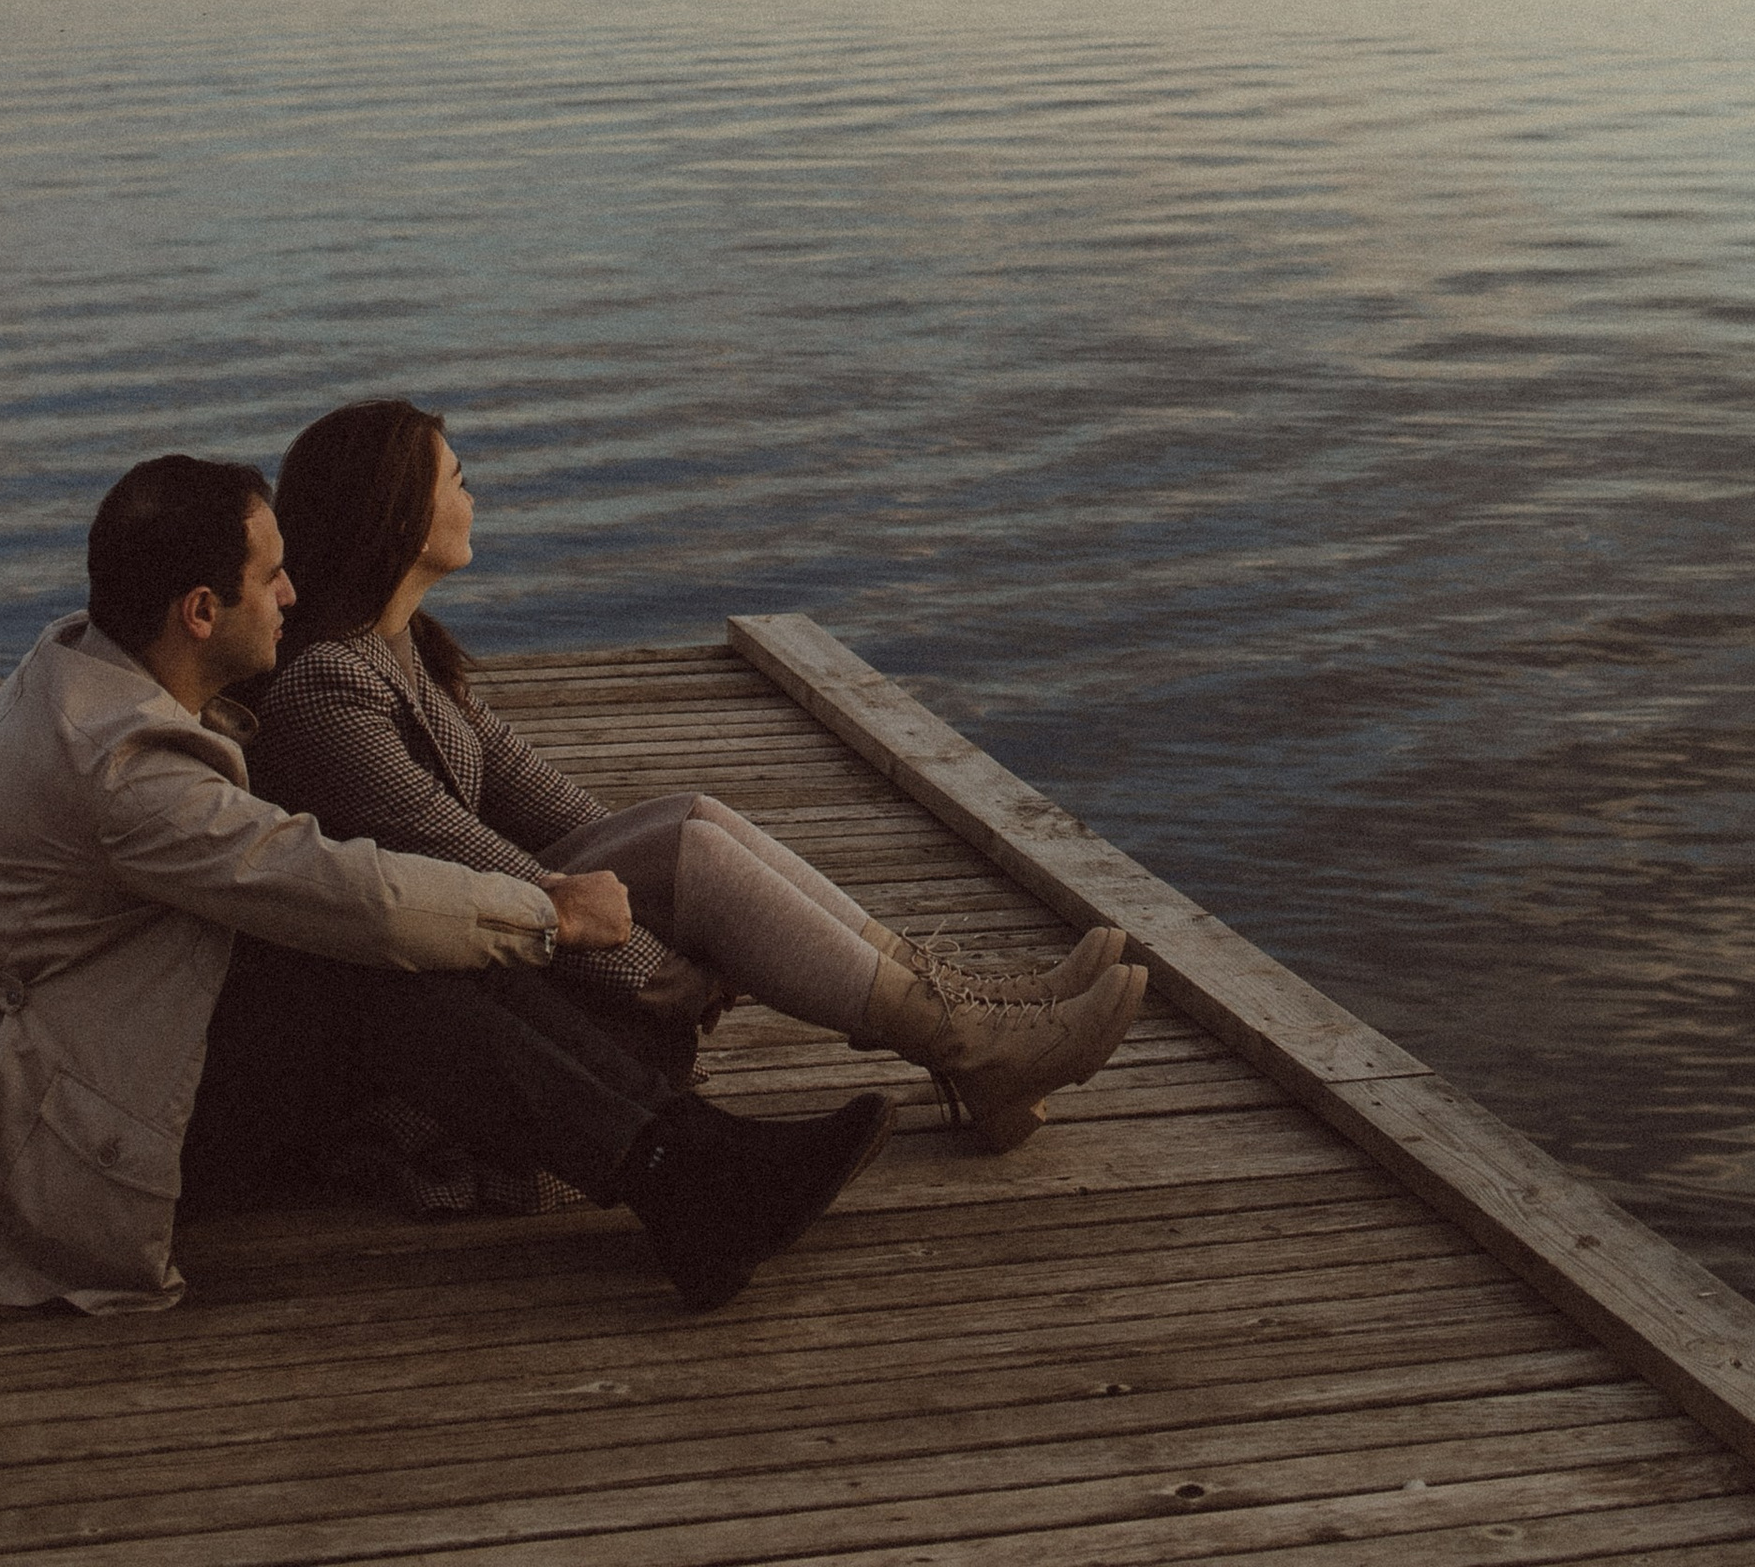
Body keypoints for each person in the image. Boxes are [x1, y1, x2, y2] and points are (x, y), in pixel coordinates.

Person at [0, 457, 888, 1314]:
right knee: (373, 965)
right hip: (0, 1148)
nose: (293, 598)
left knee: (380, 951)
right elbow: (348, 895)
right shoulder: (121, 771)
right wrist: (552, 914)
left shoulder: (83, 666)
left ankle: (689, 1160)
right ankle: (684, 1175)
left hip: (54, 1047)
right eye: (272, 578)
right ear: (201, 611)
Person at [255, 402, 1144, 1154]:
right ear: (401, 519)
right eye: (456, 479)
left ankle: (974, 1013)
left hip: (493, 939)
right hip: (453, 1004)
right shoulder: (328, 686)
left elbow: (545, 800)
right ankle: (977, 1044)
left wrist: (680, 904)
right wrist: (663, 971)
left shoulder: (399, 648)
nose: (472, 494)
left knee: (692, 824)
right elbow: (460, 858)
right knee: (693, 852)